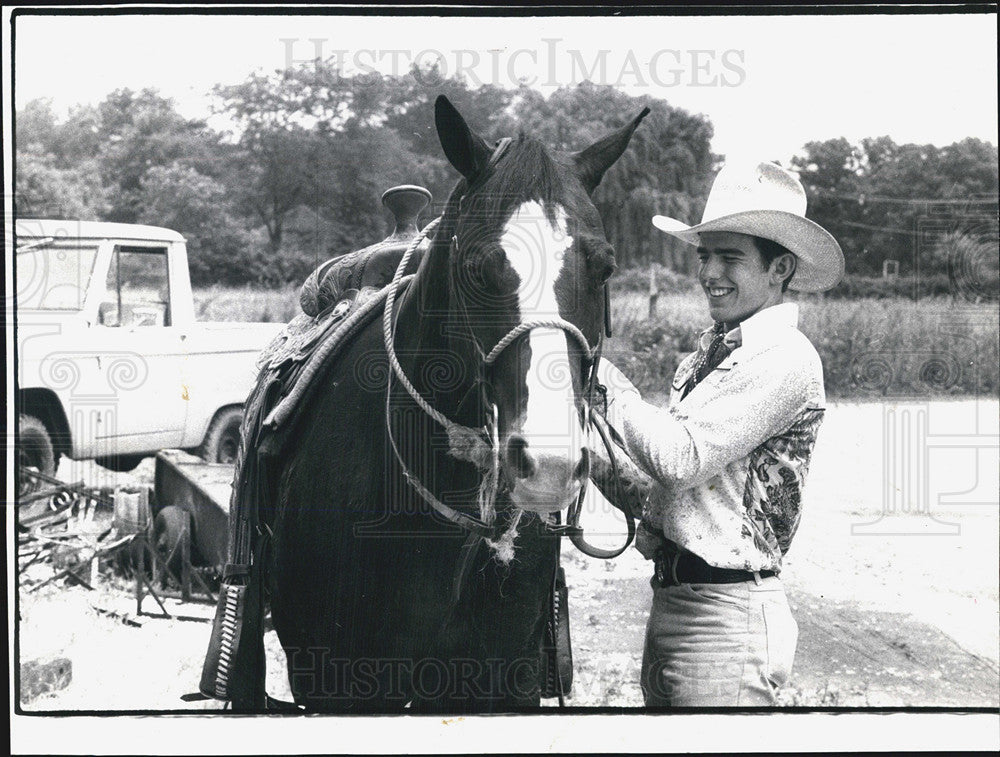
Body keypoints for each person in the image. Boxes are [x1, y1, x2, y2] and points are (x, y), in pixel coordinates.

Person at [594, 159, 844, 707]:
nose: (710, 272)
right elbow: (672, 495)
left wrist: (606, 384)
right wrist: (584, 453)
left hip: (726, 618)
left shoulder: (784, 356)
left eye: (730, 257)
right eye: (705, 254)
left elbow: (679, 459)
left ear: (780, 268)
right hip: (679, 602)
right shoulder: (711, 355)